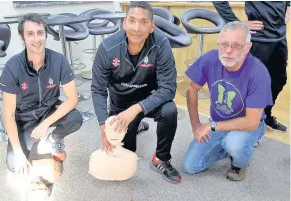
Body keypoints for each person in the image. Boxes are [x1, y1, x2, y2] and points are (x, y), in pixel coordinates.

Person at [91, 1, 181, 183]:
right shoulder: (107, 48)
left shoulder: (161, 44)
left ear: (152, 26)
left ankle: (161, 158)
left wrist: (136, 110)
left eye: (143, 22)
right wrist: (103, 125)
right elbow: (98, 89)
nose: (136, 28)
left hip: (150, 99)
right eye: (131, 20)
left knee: (170, 110)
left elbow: (168, 88)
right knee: (127, 152)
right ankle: (136, 124)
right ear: (124, 23)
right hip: (120, 104)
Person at [0, 13, 83, 193]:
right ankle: (37, 148)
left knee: (75, 118)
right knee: (15, 164)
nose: (37, 39)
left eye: (40, 33)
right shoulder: (12, 68)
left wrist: (46, 125)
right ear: (22, 37)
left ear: (45, 34)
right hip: (24, 119)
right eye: (30, 34)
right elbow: (8, 115)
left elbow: (73, 99)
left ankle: (53, 139)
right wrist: (20, 154)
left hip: (48, 112)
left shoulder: (59, 60)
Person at [182, 21, 272, 181]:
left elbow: (251, 122)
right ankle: (229, 147)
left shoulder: (258, 73)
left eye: (236, 46)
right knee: (190, 166)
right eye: (224, 44)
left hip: (248, 126)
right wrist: (196, 125)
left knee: (235, 144)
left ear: (247, 47)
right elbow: (191, 90)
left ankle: (240, 163)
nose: (228, 51)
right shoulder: (210, 59)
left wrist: (210, 126)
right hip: (218, 123)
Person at [213, 1, 290, 132]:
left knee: (278, 80)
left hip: (279, 39)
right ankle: (237, 128)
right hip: (258, 40)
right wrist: (237, 24)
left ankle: (264, 115)